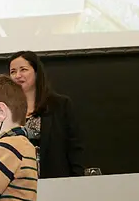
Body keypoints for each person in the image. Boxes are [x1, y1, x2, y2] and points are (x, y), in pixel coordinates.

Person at [9, 50, 85, 178]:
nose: (17, 75)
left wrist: (77, 180)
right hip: (18, 183)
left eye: (23, 70)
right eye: (13, 72)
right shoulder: (6, 109)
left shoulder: (60, 105)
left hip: (55, 179)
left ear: (36, 72)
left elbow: (74, 147)